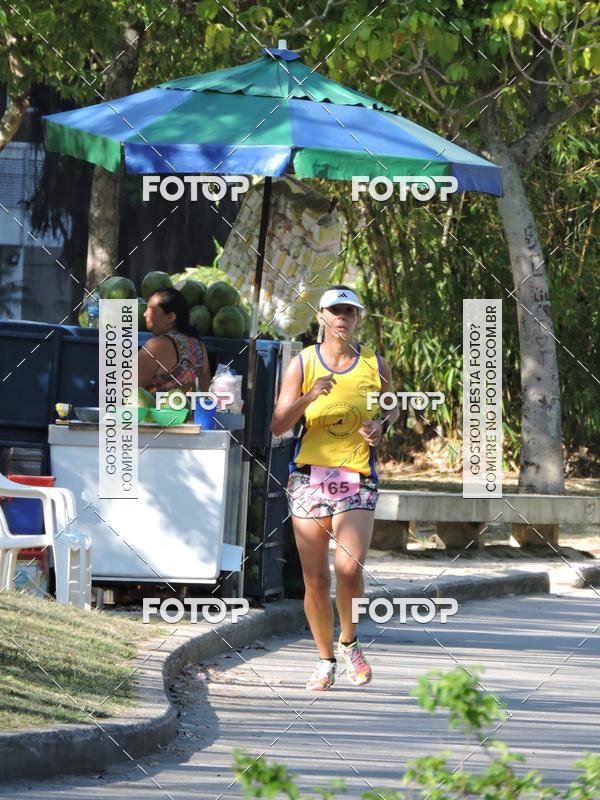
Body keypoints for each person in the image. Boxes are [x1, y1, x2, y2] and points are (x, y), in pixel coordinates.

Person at [270, 285, 399, 691]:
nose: (342, 318)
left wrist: (382, 425)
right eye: (334, 311)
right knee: (316, 580)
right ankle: (324, 659)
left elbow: (392, 405)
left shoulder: (375, 364)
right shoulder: (303, 363)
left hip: (357, 478)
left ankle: (350, 642)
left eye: (349, 311)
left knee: (348, 568)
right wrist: (311, 394)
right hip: (309, 478)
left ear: (358, 318)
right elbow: (277, 425)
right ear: (320, 317)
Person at [138, 287, 211, 393]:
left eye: (152, 310)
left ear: (171, 317)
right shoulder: (199, 346)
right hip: (189, 409)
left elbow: (124, 391)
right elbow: (205, 392)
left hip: (159, 409)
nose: (145, 314)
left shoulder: (156, 346)